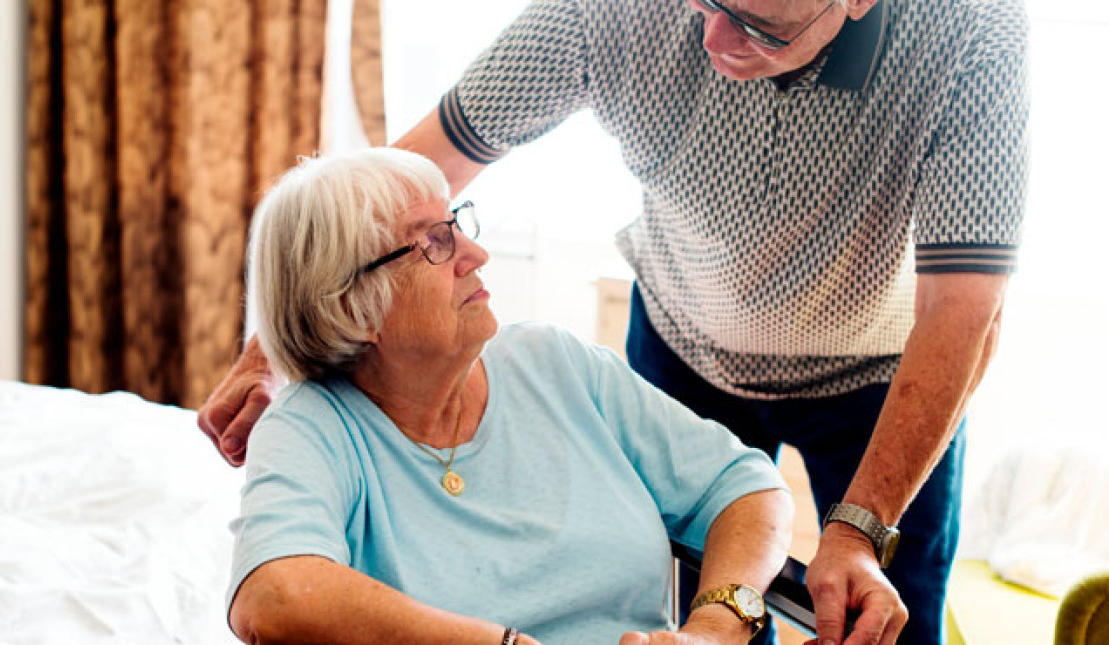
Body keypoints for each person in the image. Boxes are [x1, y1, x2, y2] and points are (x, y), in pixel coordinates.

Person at [205, 0, 1027, 643]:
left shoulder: (971, 32)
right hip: (683, 334)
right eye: (703, 2)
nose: (710, 38)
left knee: (886, 613)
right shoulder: (612, 10)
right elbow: (411, 177)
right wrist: (275, 339)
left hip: (880, 369)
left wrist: (841, 538)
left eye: (754, 24)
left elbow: (964, 305)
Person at [225, 147, 794, 645]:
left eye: (456, 224)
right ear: (352, 307)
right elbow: (274, 598)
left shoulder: (558, 365)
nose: (475, 254)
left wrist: (715, 627)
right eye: (433, 243)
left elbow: (744, 484)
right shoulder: (312, 427)